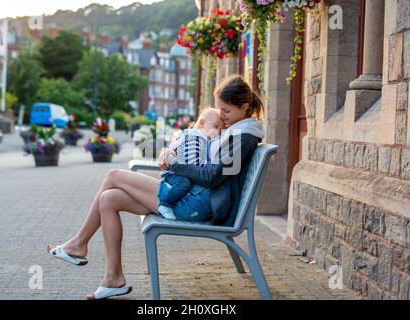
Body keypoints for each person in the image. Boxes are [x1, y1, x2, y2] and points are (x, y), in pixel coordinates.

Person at [46, 75, 266, 300]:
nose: (221, 116)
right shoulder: (235, 131)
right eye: (219, 110)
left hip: (195, 204)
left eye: (226, 110)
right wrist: (173, 151)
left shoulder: (243, 136)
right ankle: (113, 279)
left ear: (245, 107)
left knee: (113, 175)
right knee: (109, 199)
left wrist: (174, 163)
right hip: (193, 196)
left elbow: (211, 177)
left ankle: (78, 244)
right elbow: (205, 162)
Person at [157, 108, 225, 220]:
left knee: (185, 182)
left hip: (176, 172)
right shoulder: (196, 136)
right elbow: (193, 162)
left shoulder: (195, 136)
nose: (218, 132)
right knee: (185, 183)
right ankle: (165, 205)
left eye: (221, 130)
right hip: (173, 172)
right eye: (216, 126)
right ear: (202, 122)